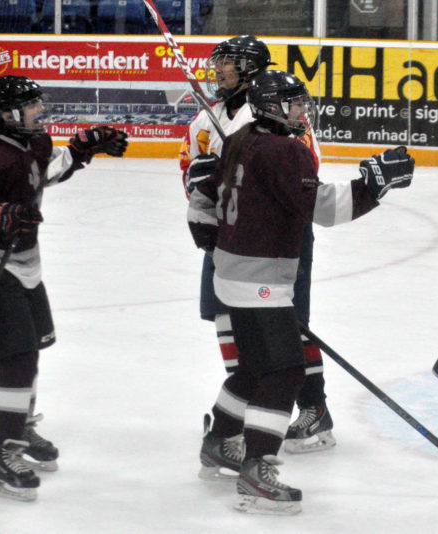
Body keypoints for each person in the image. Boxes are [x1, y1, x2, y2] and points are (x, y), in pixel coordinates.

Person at [187, 70, 414, 514]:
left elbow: (202, 197)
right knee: (286, 373)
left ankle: (218, 443)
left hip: (230, 276)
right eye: (295, 104)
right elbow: (324, 208)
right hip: (262, 283)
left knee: (253, 368)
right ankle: (258, 469)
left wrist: (211, 238)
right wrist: (375, 184)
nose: (302, 111)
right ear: (271, 106)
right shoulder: (286, 150)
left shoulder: (239, 139)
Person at [0, 75, 128, 501]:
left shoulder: (33, 142)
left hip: (26, 264)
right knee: (17, 358)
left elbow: (43, 173)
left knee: (32, 351)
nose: (39, 111)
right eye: (30, 106)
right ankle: (4, 453)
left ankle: (19, 426)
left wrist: (84, 149)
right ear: (7, 114)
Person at [179, 35, 335, 458]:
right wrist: (201, 179)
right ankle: (246, 409)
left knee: (289, 326)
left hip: (279, 238)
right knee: (229, 324)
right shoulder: (203, 122)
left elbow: (306, 175)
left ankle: (314, 408)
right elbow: (191, 177)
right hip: (230, 239)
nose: (219, 72)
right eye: (219, 64)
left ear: (249, 70)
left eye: (228, 64)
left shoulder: (277, 112)